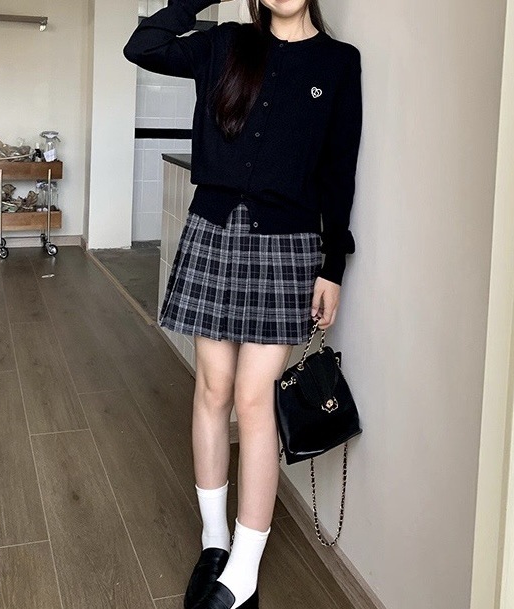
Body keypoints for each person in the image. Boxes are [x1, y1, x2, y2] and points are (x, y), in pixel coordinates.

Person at [123, 0, 362, 606]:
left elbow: (339, 172)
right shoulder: (226, 43)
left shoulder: (338, 63)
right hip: (213, 231)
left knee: (254, 400)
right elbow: (142, 46)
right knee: (213, 388)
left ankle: (246, 567)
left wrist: (333, 266)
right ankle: (215, 543)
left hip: (288, 245)